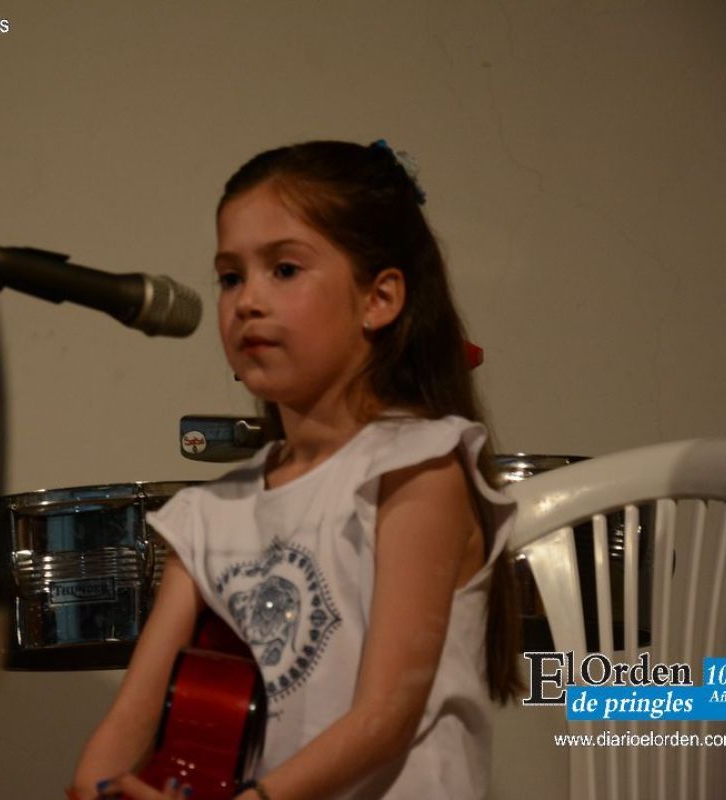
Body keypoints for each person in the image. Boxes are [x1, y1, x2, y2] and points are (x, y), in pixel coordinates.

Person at [70, 140, 522, 800]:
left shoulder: (417, 468)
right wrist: (99, 789)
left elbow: (384, 719)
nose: (247, 300)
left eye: (283, 269)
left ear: (380, 298)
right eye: (230, 277)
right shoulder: (206, 517)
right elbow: (118, 738)